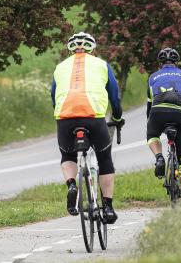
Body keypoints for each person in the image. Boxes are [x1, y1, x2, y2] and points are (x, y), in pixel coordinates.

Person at [51, 32, 124, 224]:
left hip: (65, 117)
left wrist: (61, 115)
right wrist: (116, 116)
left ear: (71, 49)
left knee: (67, 155)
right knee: (104, 158)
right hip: (93, 117)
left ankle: (72, 184)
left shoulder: (60, 67)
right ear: (93, 48)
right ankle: (107, 207)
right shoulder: (101, 65)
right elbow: (114, 96)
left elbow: (53, 96)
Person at [146, 47, 181, 193]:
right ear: (176, 62)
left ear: (160, 64)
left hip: (158, 112)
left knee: (152, 135)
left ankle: (159, 157)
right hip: (180, 113)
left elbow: (150, 103)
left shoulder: (153, 77)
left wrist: (151, 122)